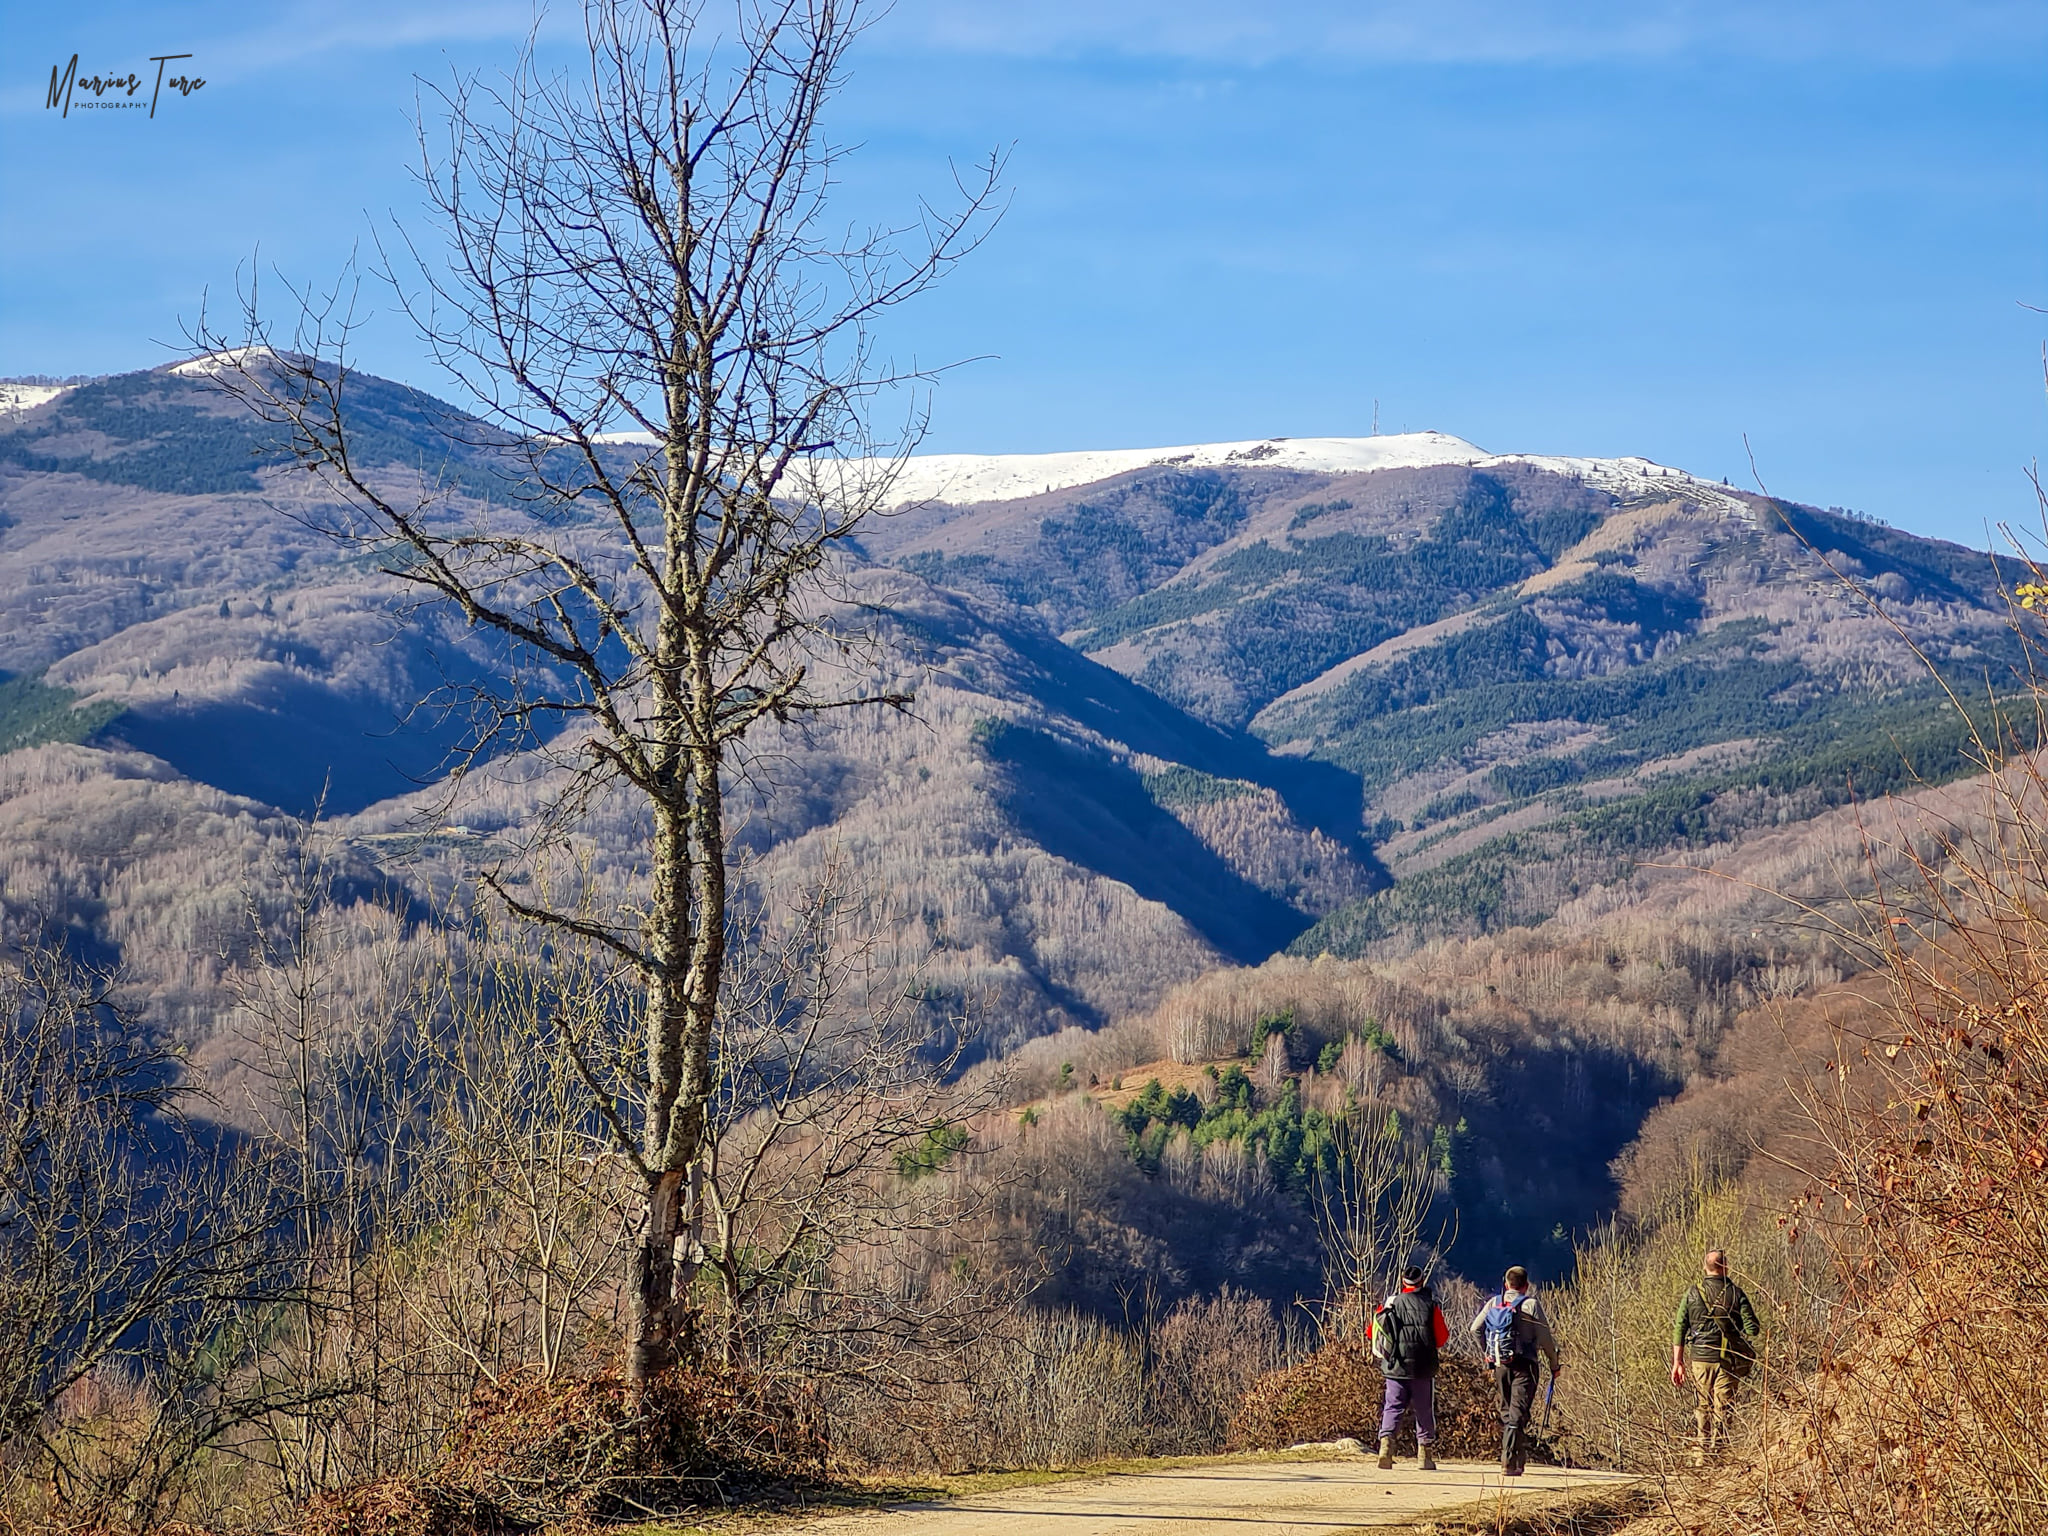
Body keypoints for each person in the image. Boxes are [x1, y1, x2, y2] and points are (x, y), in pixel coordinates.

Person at [1671, 1249, 1761, 1464]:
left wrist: (1678, 1362)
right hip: (1727, 1359)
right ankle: (1719, 1455)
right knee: (1724, 1407)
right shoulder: (1736, 1293)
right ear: (1726, 1267)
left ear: (1705, 1267)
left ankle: (1702, 1455)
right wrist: (1735, 1325)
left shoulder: (1692, 1293)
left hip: (1700, 1359)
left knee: (1704, 1405)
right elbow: (1753, 1329)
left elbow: (1680, 1327)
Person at [1470, 1265, 1561, 1477]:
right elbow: (1546, 1339)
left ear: (1506, 1284)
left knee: (1507, 1410)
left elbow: (1475, 1329)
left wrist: (1487, 1351)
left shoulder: (1494, 1302)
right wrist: (1554, 1364)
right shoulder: (1531, 1305)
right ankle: (1509, 1461)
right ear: (1526, 1285)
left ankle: (1517, 1459)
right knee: (1518, 1413)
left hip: (1500, 1364)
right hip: (1525, 1364)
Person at [1369, 1265, 1450, 1471]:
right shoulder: (1431, 1306)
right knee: (1423, 1409)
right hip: (1423, 1367)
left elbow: (1372, 1332)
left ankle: (1386, 1448)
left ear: (1403, 1282)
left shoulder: (1391, 1303)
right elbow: (1441, 1338)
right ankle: (1424, 1455)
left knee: (1393, 1406)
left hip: (1395, 1365)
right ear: (1422, 1281)